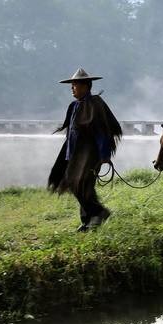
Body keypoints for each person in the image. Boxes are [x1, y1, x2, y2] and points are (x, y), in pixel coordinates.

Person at [48, 68, 123, 231]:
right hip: (74, 153)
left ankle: (98, 213)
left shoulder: (94, 104)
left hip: (89, 154)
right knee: (76, 183)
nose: (72, 88)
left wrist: (104, 155)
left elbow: (102, 132)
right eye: (72, 85)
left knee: (82, 183)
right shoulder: (75, 105)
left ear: (85, 86)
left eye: (75, 85)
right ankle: (88, 220)